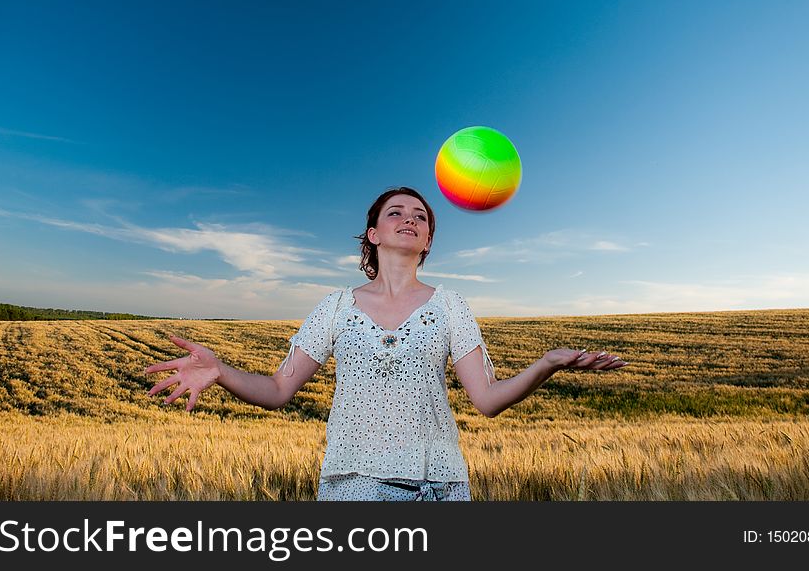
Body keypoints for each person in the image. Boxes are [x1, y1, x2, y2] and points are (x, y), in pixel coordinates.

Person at [145, 186, 626, 501]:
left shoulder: (451, 305)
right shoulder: (335, 307)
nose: (409, 219)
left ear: (429, 242)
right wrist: (220, 370)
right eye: (395, 212)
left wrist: (547, 363)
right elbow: (277, 391)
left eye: (421, 216)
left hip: (439, 487)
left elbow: (487, 400)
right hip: (352, 487)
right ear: (373, 234)